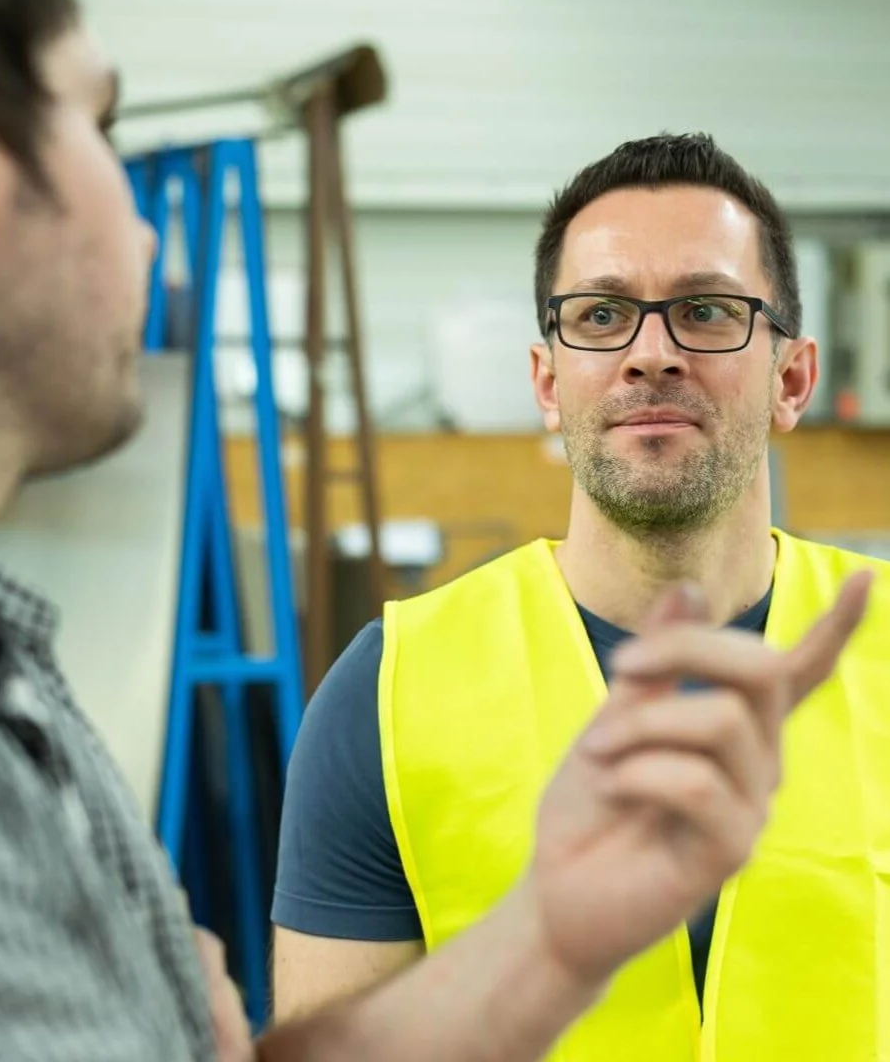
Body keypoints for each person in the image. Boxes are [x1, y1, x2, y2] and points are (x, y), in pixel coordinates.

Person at [0, 0, 872, 1059]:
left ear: (788, 372)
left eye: (703, 315)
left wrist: (542, 942)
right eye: (103, 126)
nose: (139, 224)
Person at [271, 133, 890, 1060]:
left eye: (707, 310)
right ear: (547, 381)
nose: (650, 353)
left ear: (791, 379)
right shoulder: (388, 693)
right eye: (600, 316)